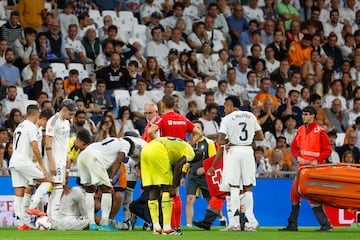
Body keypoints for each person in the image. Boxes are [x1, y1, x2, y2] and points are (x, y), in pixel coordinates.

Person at [208, 95, 264, 231]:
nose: (224, 108)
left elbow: (220, 141)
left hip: (234, 151)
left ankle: (235, 224)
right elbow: (260, 137)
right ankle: (250, 223)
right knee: (248, 187)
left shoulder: (227, 119)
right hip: (247, 151)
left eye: (226, 105)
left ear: (233, 106)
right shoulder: (250, 116)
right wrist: (248, 140)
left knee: (233, 186)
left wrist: (230, 140)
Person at [279, 105, 333, 232]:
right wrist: (298, 157)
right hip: (302, 167)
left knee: (311, 196)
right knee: (294, 193)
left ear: (313, 116)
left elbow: (327, 150)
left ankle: (325, 224)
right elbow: (293, 147)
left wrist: (317, 160)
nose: (303, 116)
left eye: (306, 114)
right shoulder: (301, 129)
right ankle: (293, 224)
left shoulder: (320, 131)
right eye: (303, 114)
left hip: (314, 169)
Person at [75, 131, 135, 231]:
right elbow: (119, 159)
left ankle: (92, 224)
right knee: (107, 190)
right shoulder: (126, 144)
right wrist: (110, 178)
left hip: (83, 156)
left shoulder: (111, 139)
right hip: (94, 158)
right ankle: (105, 224)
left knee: (90, 190)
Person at [140, 137, 197, 235]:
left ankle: (156, 227)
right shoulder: (191, 153)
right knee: (167, 188)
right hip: (159, 150)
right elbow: (179, 165)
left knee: (154, 188)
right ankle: (167, 228)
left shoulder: (180, 147)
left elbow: (175, 164)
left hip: (146, 149)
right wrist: (174, 187)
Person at [9, 105, 51, 230]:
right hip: (23, 161)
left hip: (14, 161)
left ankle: (22, 223)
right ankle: (33, 206)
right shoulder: (31, 126)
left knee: (19, 193)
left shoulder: (19, 126)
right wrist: (43, 167)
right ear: (37, 114)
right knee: (47, 180)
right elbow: (35, 147)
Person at [45, 99, 77, 222]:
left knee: (59, 187)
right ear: (64, 109)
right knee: (58, 187)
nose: (72, 116)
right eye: (71, 113)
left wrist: (67, 156)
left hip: (62, 159)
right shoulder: (53, 121)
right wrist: (52, 162)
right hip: (54, 159)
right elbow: (47, 141)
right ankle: (54, 216)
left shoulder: (67, 122)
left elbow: (64, 141)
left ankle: (50, 216)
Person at [185, 120, 216, 227]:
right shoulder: (188, 144)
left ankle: (221, 218)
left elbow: (214, 159)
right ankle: (189, 225)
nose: (196, 129)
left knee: (211, 201)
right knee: (189, 199)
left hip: (205, 177)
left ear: (202, 130)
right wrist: (183, 174)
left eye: (198, 127)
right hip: (193, 176)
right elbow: (186, 160)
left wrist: (205, 167)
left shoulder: (209, 143)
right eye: (194, 127)